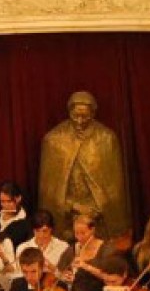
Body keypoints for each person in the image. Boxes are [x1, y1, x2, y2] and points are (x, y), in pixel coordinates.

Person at [38, 91, 131, 237]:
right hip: (66, 217)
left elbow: (114, 189)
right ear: (69, 112)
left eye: (85, 117)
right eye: (76, 116)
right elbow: (49, 190)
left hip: (98, 217)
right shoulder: (54, 140)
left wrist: (95, 209)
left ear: (93, 114)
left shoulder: (107, 139)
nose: (80, 121)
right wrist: (72, 206)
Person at [0, 181, 33, 249]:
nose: (5, 205)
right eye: (2, 201)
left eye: (9, 201)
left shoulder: (25, 222)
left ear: (18, 198)